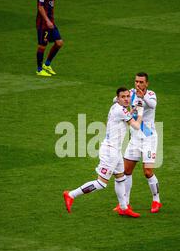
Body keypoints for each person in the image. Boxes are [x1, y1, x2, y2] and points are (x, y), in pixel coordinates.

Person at [63, 87, 144, 218]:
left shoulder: (116, 107)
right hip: (109, 152)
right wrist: (140, 111)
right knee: (101, 183)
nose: (126, 99)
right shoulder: (120, 110)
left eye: (128, 96)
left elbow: (126, 116)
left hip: (115, 151)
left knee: (120, 178)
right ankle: (71, 194)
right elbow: (136, 125)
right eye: (123, 97)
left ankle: (123, 208)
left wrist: (132, 109)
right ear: (118, 98)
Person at [113, 72, 163, 213]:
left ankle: (156, 200)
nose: (138, 84)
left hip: (149, 138)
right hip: (135, 138)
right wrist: (119, 100)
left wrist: (143, 97)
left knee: (147, 172)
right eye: (136, 82)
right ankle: (125, 204)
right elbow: (117, 100)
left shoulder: (151, 95)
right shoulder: (131, 93)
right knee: (126, 171)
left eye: (141, 82)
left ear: (147, 83)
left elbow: (152, 105)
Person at [36, 0, 63, 77]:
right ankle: (39, 70)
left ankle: (47, 65)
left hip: (51, 22)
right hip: (43, 24)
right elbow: (40, 7)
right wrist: (47, 20)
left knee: (59, 43)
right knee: (42, 46)